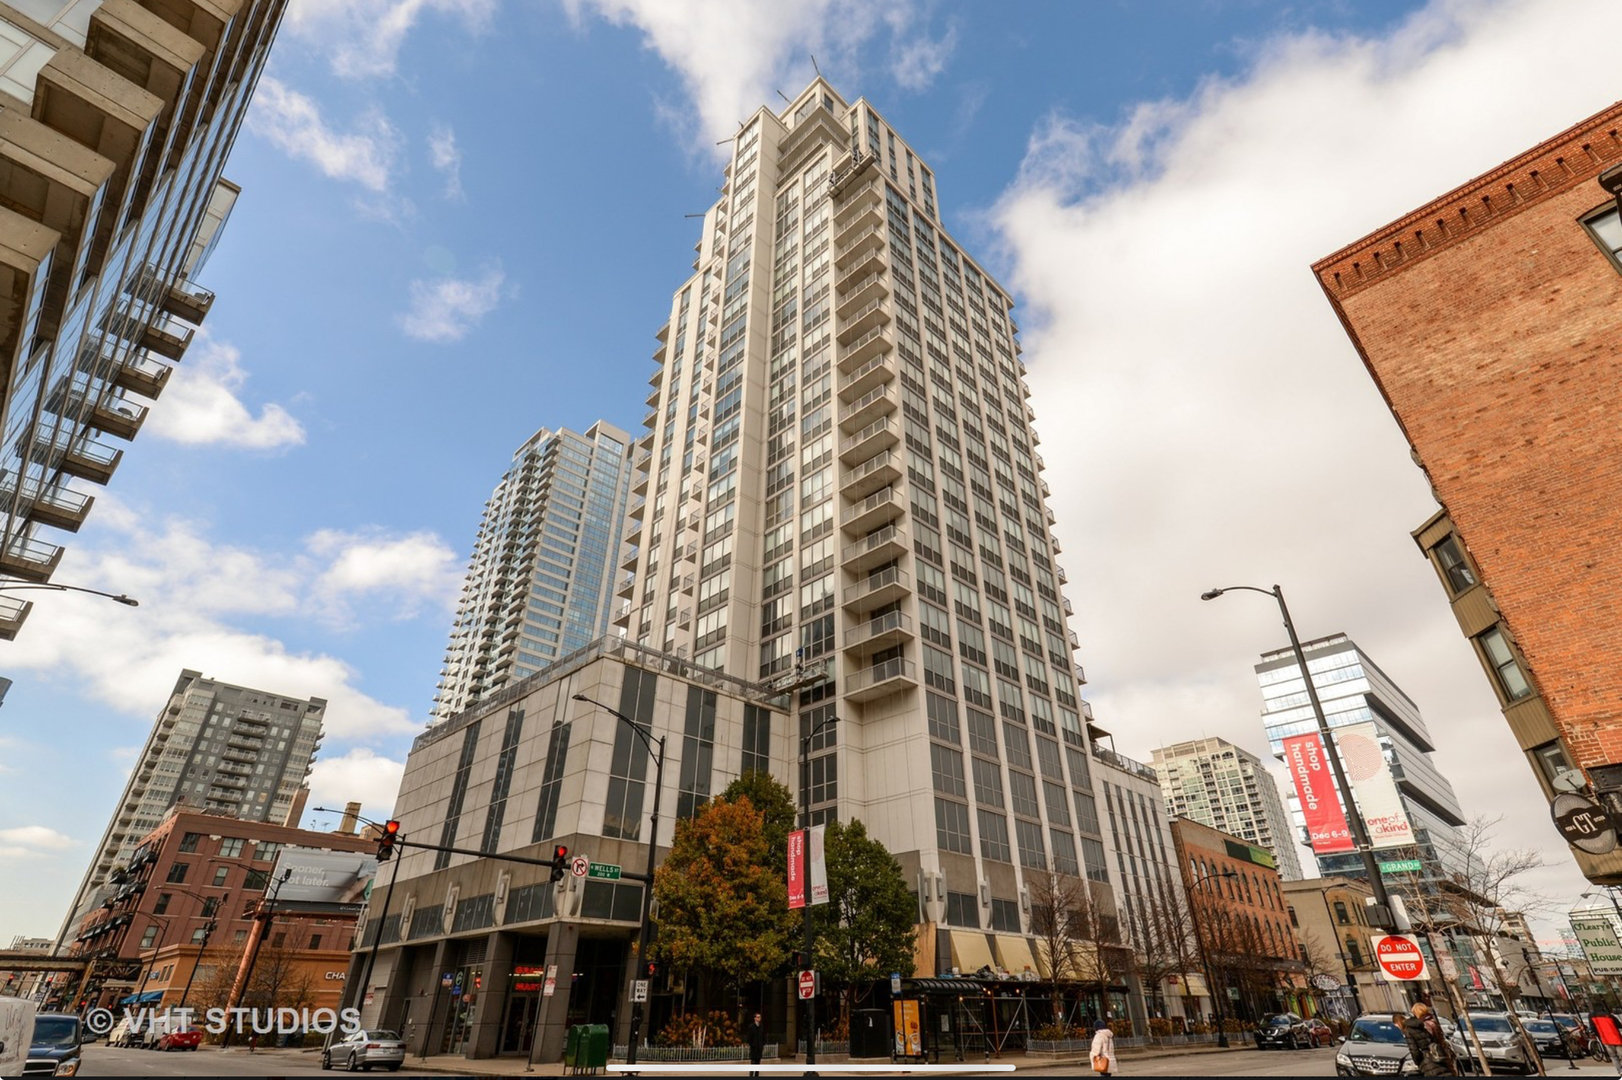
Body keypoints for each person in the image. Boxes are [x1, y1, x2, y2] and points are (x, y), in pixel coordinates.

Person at [1402, 1003, 1457, 1076]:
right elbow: (1440, 1040)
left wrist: (1419, 1062)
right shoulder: (1432, 1022)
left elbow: (1414, 1051)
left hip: (1426, 1060)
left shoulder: (1410, 1029)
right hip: (1440, 1056)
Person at [746, 1012, 765, 1077]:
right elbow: (749, 1038)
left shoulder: (761, 1026)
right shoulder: (751, 1027)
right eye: (757, 1017)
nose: (759, 1018)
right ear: (755, 1018)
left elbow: (763, 1036)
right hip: (754, 1049)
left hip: (759, 1048)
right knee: (753, 1064)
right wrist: (752, 1045)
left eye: (759, 1017)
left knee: (758, 1064)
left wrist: (762, 1044)